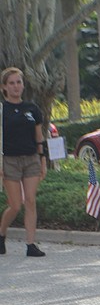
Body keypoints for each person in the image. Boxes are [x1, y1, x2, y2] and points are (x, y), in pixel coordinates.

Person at [0, 67, 47, 257]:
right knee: (16, 205)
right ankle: (1, 233)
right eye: (11, 83)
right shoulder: (2, 109)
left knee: (30, 200)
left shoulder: (32, 109)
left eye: (18, 82)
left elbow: (39, 137)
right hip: (9, 161)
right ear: (4, 87)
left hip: (31, 160)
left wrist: (43, 160)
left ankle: (30, 244)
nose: (16, 86)